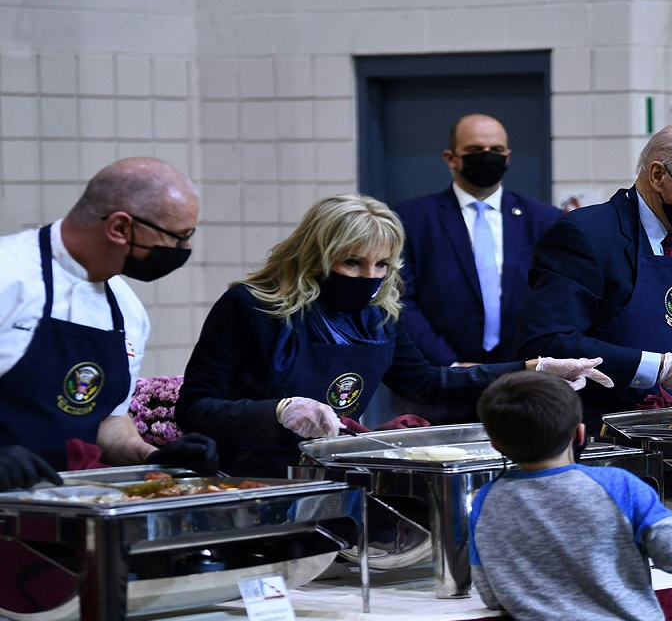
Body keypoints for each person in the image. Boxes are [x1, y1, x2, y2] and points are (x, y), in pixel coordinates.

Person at [176, 194, 611, 478]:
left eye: (382, 265)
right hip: (252, 477)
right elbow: (195, 410)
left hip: (332, 472)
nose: (370, 276)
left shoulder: (379, 314)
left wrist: (533, 369)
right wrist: (278, 410)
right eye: (352, 263)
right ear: (315, 256)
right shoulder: (251, 306)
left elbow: (427, 382)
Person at [515, 120, 672, 428]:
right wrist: (657, 368)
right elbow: (548, 342)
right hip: (600, 432)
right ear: (658, 174)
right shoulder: (586, 234)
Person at [0, 157, 217, 491]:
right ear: (119, 228)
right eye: (177, 236)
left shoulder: (127, 309)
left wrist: (153, 457)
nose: (184, 249)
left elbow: (109, 422)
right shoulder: (8, 276)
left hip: (67, 507)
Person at [470, 370, 672, 621]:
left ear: (496, 446)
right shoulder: (620, 485)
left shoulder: (486, 500)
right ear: (580, 434)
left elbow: (492, 596)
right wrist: (670, 522)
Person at [366, 114, 563, 424]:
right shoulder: (410, 219)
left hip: (521, 384)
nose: (487, 157)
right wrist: (451, 364)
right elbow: (401, 301)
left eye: (496, 150)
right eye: (474, 150)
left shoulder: (544, 220)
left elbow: (553, 299)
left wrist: (525, 364)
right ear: (451, 158)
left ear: (508, 157)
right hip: (436, 384)